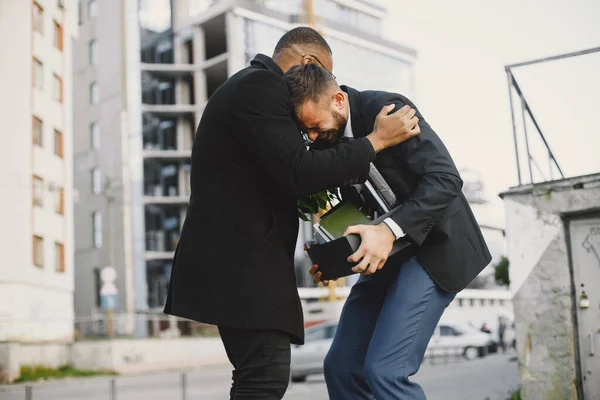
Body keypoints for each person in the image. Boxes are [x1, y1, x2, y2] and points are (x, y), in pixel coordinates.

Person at [163, 27, 420, 400]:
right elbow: (298, 171)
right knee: (263, 378)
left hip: (237, 263)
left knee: (260, 376)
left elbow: (288, 172)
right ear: (309, 64)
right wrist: (376, 141)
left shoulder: (250, 91)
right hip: (240, 266)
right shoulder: (260, 87)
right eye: (327, 76)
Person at [283, 63, 492, 400]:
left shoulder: (390, 111)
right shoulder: (324, 141)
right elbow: (363, 205)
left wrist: (389, 231)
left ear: (338, 100)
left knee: (386, 372)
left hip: (436, 247)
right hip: (386, 255)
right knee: (341, 368)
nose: (312, 138)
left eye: (315, 127)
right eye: (305, 132)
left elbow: (446, 181)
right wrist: (339, 256)